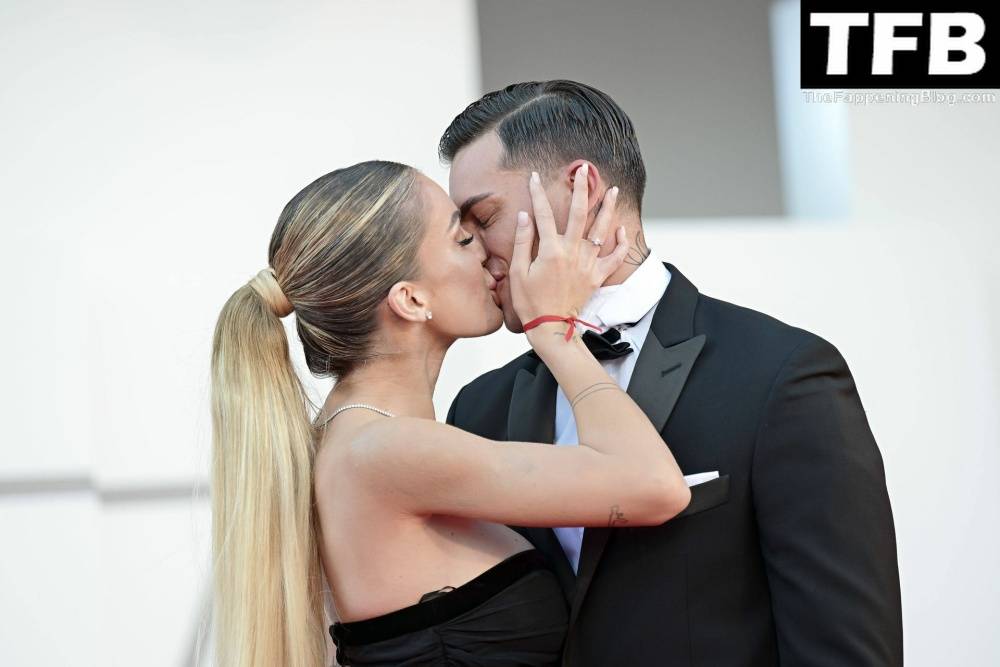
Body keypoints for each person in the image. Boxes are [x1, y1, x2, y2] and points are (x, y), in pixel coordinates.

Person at [441, 79, 904, 666]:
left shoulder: (781, 378)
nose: (476, 251)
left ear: (581, 187)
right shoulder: (478, 408)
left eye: (483, 219)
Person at [209, 159, 693, 667]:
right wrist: (555, 330)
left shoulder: (355, 439)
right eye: (462, 240)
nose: (488, 252)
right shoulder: (388, 451)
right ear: (411, 300)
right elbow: (654, 486)